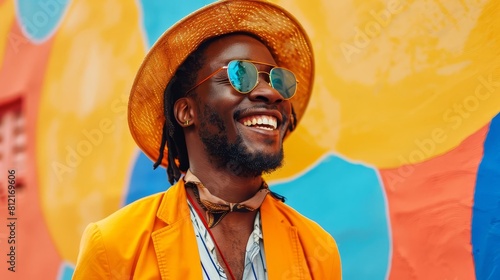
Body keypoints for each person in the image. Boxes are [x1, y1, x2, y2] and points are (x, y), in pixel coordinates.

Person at [73, 0, 341, 279]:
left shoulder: (317, 249)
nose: (272, 93)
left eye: (277, 80)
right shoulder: (113, 247)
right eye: (240, 74)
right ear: (187, 112)